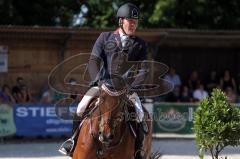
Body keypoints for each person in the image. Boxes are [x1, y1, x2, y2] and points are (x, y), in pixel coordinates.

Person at [59, 3, 148, 159]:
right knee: (80, 108)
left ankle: (138, 149)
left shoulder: (140, 44)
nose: (133, 25)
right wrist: (99, 81)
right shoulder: (105, 37)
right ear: (121, 21)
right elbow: (93, 61)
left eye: (136, 22)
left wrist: (131, 86)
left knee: (140, 115)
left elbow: (144, 70)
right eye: (130, 21)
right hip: (103, 85)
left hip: (126, 89)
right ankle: (72, 142)